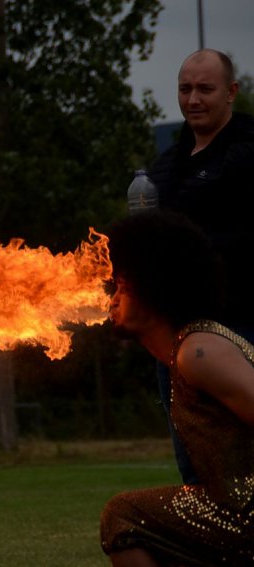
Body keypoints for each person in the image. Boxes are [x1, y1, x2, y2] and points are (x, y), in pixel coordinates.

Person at [100, 210, 254, 566]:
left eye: (123, 287)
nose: (112, 299)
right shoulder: (186, 351)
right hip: (232, 508)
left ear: (155, 287)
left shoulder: (197, 352)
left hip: (245, 515)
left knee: (122, 515)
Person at [146, 48, 254, 484]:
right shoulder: (166, 165)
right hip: (175, 337)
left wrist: (189, 252)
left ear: (231, 92)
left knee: (243, 458)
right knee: (194, 467)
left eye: (205, 89)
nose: (193, 99)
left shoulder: (249, 153)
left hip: (239, 326)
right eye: (185, 89)